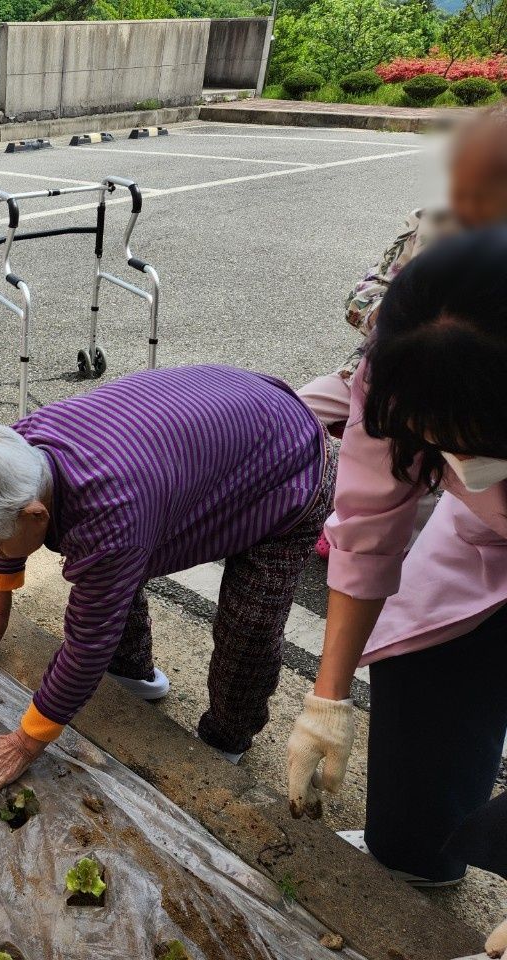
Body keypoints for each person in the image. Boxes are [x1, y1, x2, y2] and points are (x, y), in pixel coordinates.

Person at [0, 365, 334, 800]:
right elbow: (17, 529)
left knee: (248, 627)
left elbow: (87, 644)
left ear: (35, 514)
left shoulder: (111, 516)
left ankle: (226, 739)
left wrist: (22, 744)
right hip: (218, 426)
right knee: (110, 572)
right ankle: (133, 673)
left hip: (288, 461)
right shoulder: (12, 448)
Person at [285, 229, 507, 956]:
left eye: (480, 443)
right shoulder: (409, 357)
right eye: (440, 441)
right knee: (420, 673)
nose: (457, 461)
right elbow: (371, 525)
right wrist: (328, 698)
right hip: (480, 547)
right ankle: (420, 859)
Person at [298, 106, 507, 433]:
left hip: (479, 405)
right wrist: (401, 322)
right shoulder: (431, 221)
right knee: (285, 417)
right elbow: (362, 295)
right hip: (378, 374)